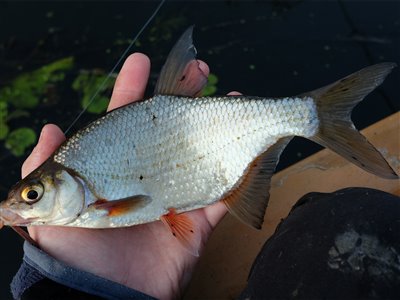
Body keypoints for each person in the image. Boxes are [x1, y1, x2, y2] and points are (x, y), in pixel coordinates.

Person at [11, 54, 400, 300]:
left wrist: (72, 289)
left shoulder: (94, 204)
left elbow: (139, 205)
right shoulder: (82, 200)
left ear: (64, 180)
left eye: (32, 195)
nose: (27, 206)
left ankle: (316, 114)